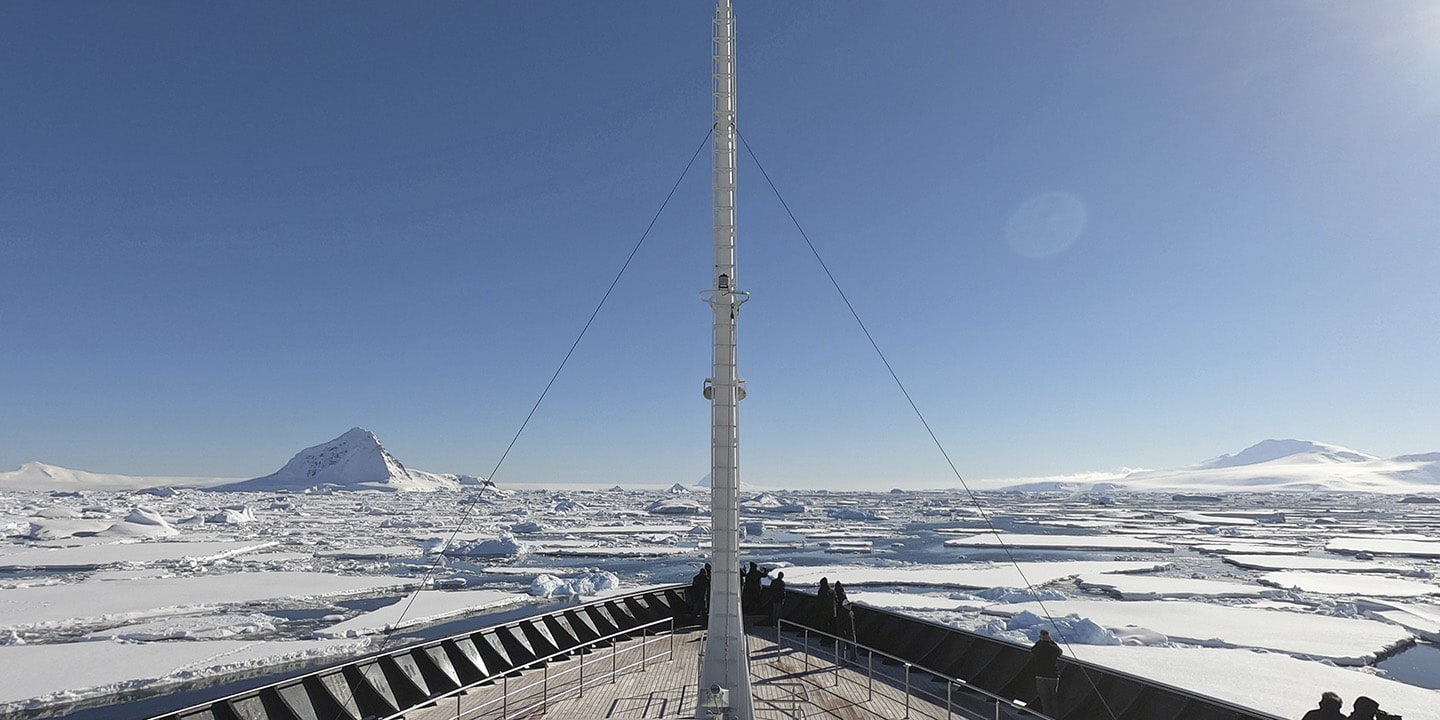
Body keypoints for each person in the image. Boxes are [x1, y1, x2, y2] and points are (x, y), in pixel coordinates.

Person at [1029, 628, 1062, 715]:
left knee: (1044, 699)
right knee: (1053, 698)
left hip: (1040, 675)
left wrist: (1040, 642)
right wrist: (1051, 642)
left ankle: (1046, 716)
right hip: (1053, 676)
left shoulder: (1038, 647)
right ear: (1048, 636)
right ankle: (1055, 716)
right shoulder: (1053, 648)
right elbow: (1059, 652)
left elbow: (1032, 650)